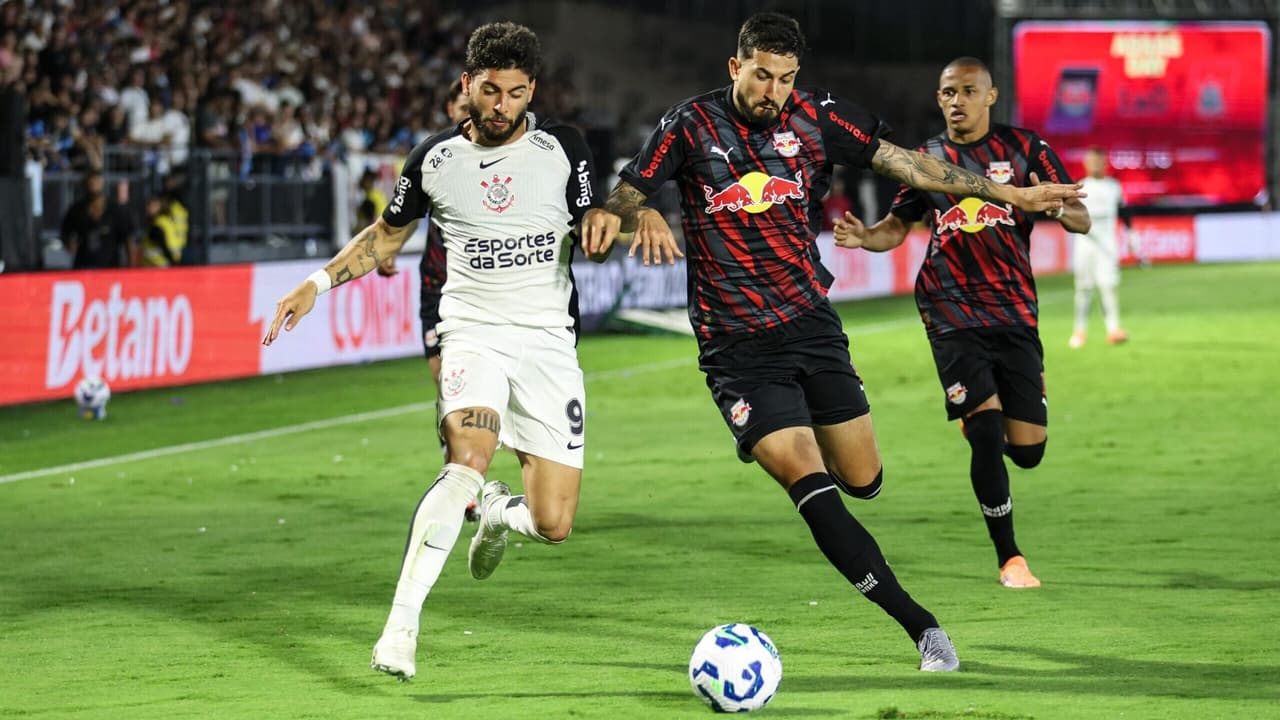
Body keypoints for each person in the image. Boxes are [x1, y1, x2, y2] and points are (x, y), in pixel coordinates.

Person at [586, 14, 1077, 672]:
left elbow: (915, 167)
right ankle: (923, 628)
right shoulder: (688, 126)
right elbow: (618, 199)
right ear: (736, 68)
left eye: (786, 79)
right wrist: (640, 209)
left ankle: (808, 438)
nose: (773, 91)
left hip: (811, 328)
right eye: (762, 75)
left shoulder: (820, 119)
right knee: (809, 481)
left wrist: (1009, 191)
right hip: (737, 349)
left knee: (863, 480)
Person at [263, 21, 616, 682]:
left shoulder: (565, 147)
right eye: (489, 91)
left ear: (531, 90)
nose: (501, 105)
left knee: (555, 523)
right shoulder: (434, 161)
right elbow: (384, 238)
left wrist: (612, 221)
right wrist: (315, 284)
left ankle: (503, 518)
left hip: (546, 345)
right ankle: (400, 629)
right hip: (472, 332)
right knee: (467, 461)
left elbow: (599, 213)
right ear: (467, 86)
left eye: (514, 93)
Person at [832, 57, 1091, 590]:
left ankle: (982, 420)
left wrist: (1054, 208)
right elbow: (895, 229)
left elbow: (1081, 218)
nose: (957, 101)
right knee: (986, 430)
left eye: (969, 91)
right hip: (949, 310)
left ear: (990, 97)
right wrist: (865, 237)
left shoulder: (1025, 149)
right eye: (948, 92)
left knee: (1029, 450)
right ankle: (1010, 557)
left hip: (1014, 310)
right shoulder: (926, 159)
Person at [1069, 147, 1128, 348]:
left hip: (1107, 245)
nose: (1094, 165)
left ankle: (1113, 330)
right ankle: (1079, 331)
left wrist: (1131, 234)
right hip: (1084, 244)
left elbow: (1124, 212)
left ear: (1104, 163)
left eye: (1098, 161)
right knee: (1084, 288)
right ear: (1086, 164)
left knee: (1108, 286)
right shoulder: (1080, 187)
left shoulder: (1114, 187)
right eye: (1091, 161)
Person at [61, 170, 139, 269]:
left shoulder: (116, 210)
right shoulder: (76, 210)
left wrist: (131, 269)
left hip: (110, 268)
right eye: (90, 182)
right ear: (84, 185)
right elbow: (66, 234)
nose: (93, 185)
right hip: (84, 266)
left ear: (103, 183)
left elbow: (129, 240)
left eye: (97, 181)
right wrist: (70, 244)